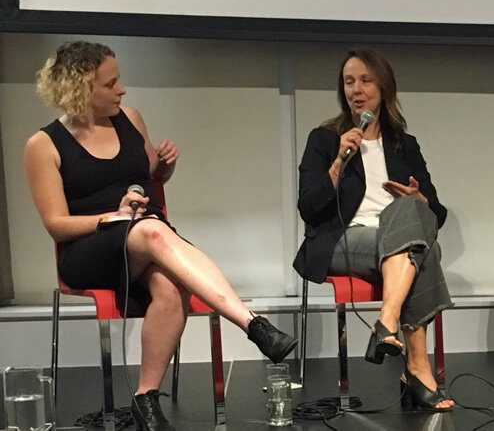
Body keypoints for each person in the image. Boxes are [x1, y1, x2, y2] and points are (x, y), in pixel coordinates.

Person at [25, 42, 296, 431]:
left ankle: (145, 398)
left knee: (170, 286)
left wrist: (164, 167)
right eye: (111, 83)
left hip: (143, 240)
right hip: (88, 251)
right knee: (153, 229)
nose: (122, 90)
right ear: (80, 89)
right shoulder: (44, 145)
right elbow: (56, 223)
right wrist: (112, 217)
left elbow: (146, 171)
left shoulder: (129, 117)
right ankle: (252, 324)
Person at [292, 49, 453, 411]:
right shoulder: (324, 138)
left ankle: (390, 325)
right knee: (425, 249)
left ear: (384, 87)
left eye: (365, 80)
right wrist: (337, 162)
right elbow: (308, 207)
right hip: (340, 240)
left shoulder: (403, 144)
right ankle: (415, 362)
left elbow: (437, 213)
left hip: (394, 243)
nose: (356, 89)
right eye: (349, 82)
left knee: (413, 215)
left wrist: (418, 198)